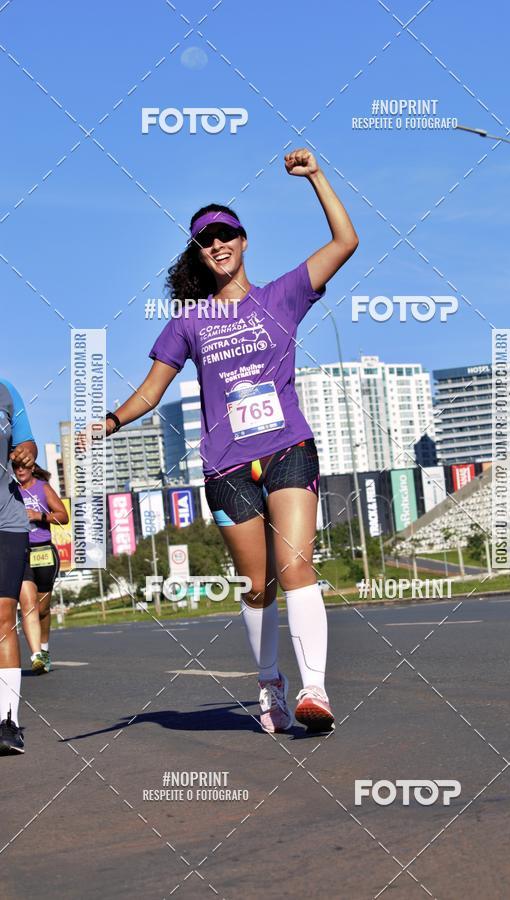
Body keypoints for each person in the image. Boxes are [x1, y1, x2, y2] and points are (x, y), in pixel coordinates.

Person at [104, 148, 358, 733]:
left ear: (244, 241)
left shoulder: (283, 296)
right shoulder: (188, 322)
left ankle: (314, 691)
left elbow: (345, 242)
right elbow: (150, 392)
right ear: (199, 253)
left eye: (226, 234)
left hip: (288, 448)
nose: (217, 244)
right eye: (205, 240)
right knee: (257, 583)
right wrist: (111, 423)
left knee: (296, 564)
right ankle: (270, 684)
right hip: (224, 467)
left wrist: (317, 176)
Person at [0, 378, 38, 755]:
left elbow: (27, 443)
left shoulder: (7, 391)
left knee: (2, 615)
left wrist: (26, 452)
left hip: (5, 521)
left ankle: (7, 721)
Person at [13, 463, 68, 674]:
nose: (20, 471)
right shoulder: (10, 489)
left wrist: (39, 516)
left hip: (43, 550)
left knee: (43, 609)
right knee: (29, 604)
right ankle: (36, 655)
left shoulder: (43, 488)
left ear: (32, 468)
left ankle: (44, 650)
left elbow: (63, 516)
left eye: (23, 467)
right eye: (16, 467)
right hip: (21, 552)